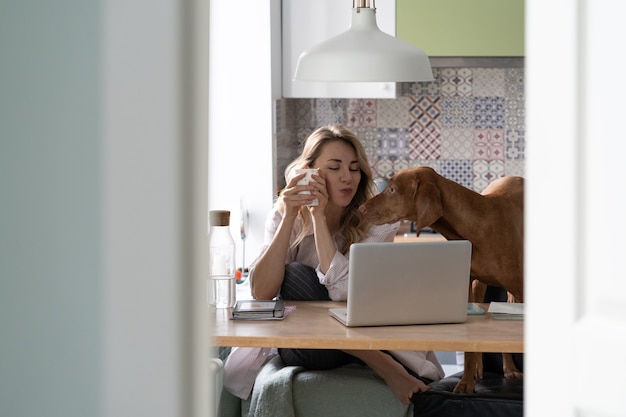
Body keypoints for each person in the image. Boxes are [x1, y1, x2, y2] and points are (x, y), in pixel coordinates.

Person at [226, 125, 444, 405]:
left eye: (354, 168)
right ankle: (384, 366)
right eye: (334, 167)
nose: (347, 177)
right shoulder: (283, 216)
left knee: (298, 278)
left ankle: (379, 359)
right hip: (310, 347)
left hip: (365, 332)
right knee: (295, 277)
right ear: (309, 171)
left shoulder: (378, 222)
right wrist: (293, 213)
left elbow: (346, 293)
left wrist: (318, 219)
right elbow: (262, 293)